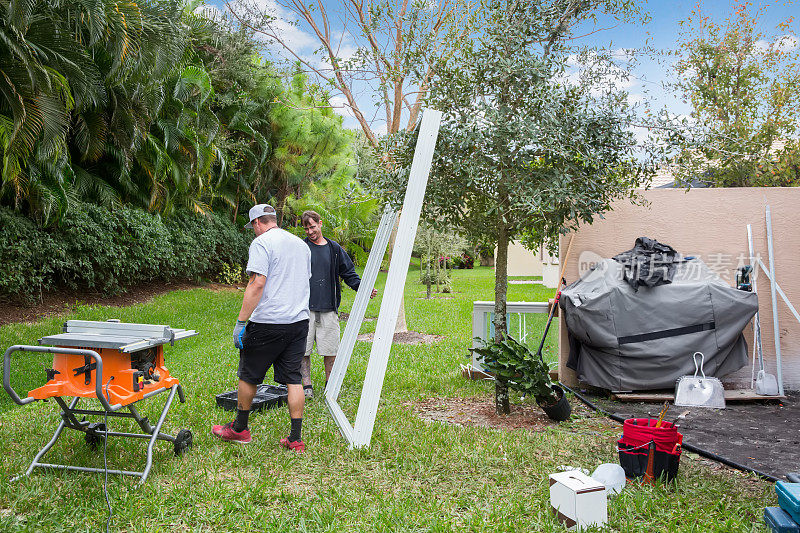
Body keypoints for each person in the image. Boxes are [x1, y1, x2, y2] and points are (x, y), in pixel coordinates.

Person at [212, 204, 311, 453]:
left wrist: (241, 322)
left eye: (252, 227)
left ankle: (240, 429)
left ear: (257, 223)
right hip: (298, 322)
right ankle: (295, 438)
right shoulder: (301, 245)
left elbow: (257, 283)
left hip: (268, 322)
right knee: (293, 379)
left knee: (248, 374)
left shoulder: (261, 243)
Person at [301, 210, 377, 398]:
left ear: (320, 223)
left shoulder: (334, 249)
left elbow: (349, 273)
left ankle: (330, 385)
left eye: (312, 226)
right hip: (303, 310)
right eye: (306, 228)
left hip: (329, 308)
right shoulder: (301, 248)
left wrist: (363, 288)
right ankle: (306, 386)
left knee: (331, 349)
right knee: (303, 351)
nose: (310, 231)